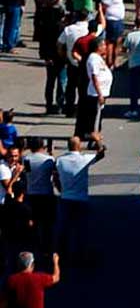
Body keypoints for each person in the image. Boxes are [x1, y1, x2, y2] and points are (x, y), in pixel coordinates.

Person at [53, 134, 106, 263]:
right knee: (81, 229)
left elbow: (55, 177)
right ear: (79, 146)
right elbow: (101, 154)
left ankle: (61, 255)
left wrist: (61, 190)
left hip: (66, 198)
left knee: (64, 228)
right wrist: (98, 140)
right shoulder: (85, 159)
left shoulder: (60, 160)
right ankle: (81, 255)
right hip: (81, 199)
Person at [23, 140, 55, 260]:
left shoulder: (26, 159)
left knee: (34, 223)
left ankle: (34, 248)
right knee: (47, 224)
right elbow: (53, 172)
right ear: (43, 146)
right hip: (46, 194)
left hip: (32, 194)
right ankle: (47, 249)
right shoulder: (48, 160)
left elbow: (27, 172)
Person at [78, 35, 111, 137]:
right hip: (96, 93)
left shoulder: (98, 58)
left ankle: (96, 136)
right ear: (98, 47)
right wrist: (100, 94)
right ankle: (94, 137)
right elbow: (94, 77)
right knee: (95, 118)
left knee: (99, 116)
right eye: (103, 45)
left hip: (102, 92)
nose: (105, 47)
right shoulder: (93, 59)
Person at [97, 0, 127, 67]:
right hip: (111, 21)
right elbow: (103, 7)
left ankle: (114, 62)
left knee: (118, 42)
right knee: (110, 43)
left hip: (119, 21)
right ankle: (109, 63)